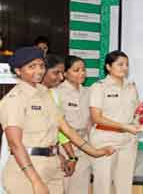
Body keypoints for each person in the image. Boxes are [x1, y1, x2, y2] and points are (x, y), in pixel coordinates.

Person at [0, 47, 114, 194]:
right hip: (27, 171)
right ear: (18, 71)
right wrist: (35, 181)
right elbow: (15, 144)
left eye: (41, 65)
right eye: (31, 67)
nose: (39, 70)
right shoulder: (14, 99)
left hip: (52, 166)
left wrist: (95, 151)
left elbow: (66, 128)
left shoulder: (45, 93)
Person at [89, 50, 141, 194]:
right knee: (103, 185)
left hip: (128, 140)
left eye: (127, 65)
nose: (125, 68)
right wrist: (124, 126)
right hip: (105, 139)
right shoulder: (99, 87)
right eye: (120, 64)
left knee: (124, 184)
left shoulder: (131, 87)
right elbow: (96, 117)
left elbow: (137, 112)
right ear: (108, 67)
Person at [55, 55, 93, 194]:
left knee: (80, 189)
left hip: (83, 145)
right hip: (64, 146)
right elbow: (57, 126)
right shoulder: (58, 93)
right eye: (76, 70)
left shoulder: (88, 92)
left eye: (83, 69)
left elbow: (89, 122)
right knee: (62, 187)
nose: (82, 73)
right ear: (65, 73)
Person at [41, 54, 77, 177]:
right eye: (56, 73)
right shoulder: (28, 96)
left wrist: (72, 157)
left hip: (51, 155)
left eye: (62, 73)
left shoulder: (54, 94)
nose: (61, 78)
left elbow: (61, 131)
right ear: (42, 71)